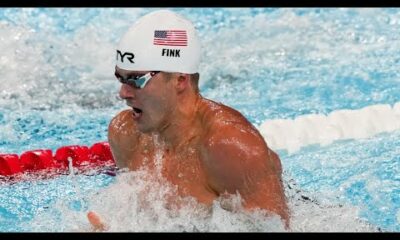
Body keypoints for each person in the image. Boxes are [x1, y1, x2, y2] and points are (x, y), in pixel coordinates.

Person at [87, 9, 289, 231]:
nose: (123, 92)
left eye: (136, 80)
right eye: (121, 78)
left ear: (180, 80)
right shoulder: (125, 134)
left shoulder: (229, 149)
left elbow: (276, 228)